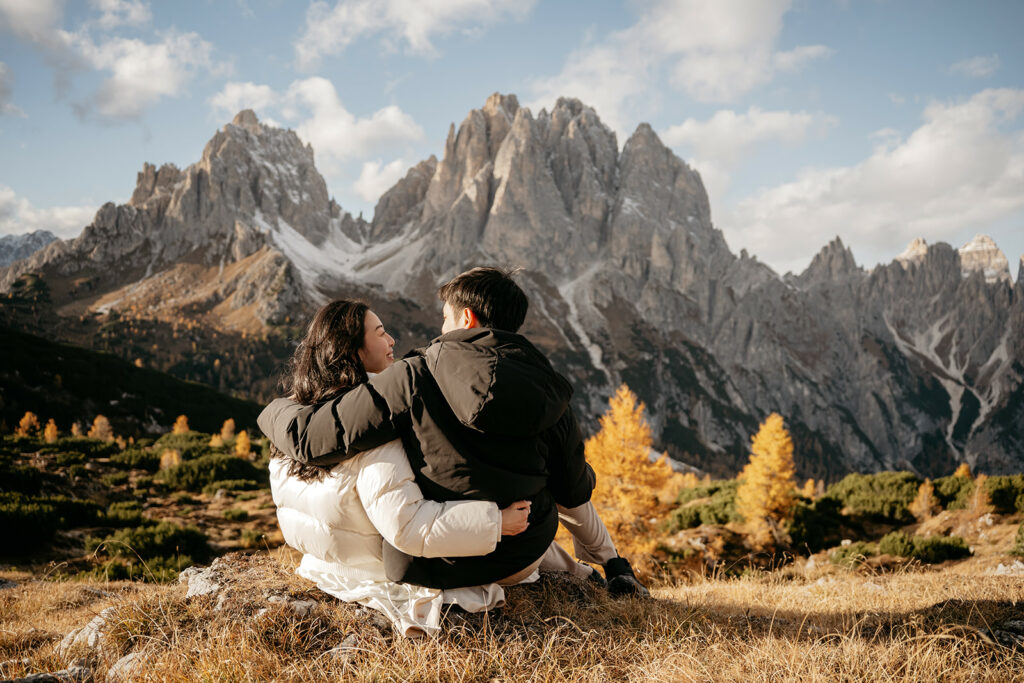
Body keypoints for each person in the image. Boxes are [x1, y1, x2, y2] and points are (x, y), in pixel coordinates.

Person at [259, 267, 648, 597]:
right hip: (519, 559)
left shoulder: (411, 376)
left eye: (445, 318)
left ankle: (591, 568)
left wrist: (276, 408)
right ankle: (603, 570)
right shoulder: (550, 392)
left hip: (434, 563)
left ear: (467, 318)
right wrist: (612, 560)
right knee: (550, 482)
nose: (440, 328)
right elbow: (574, 492)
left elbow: (311, 439)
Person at [268, 299, 533, 637]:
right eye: (381, 333)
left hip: (322, 563)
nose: (392, 340)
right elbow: (406, 525)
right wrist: (496, 522)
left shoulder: (297, 415)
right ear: (353, 350)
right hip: (372, 571)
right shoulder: (374, 425)